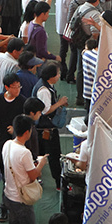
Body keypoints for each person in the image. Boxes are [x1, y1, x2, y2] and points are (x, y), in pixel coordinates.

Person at [2, 114, 48, 224]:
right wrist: (41, 163)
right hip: (21, 201)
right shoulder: (24, 152)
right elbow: (32, 177)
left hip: (8, 195)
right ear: (28, 132)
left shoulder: (7, 145)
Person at [32, 61, 67, 190]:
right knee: (53, 156)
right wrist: (59, 103)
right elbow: (45, 110)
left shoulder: (46, 86)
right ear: (51, 76)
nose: (59, 76)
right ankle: (58, 183)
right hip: (46, 130)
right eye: (57, 74)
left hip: (43, 129)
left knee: (38, 154)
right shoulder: (44, 90)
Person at [0, 72, 25, 157]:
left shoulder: (22, 101)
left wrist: (15, 130)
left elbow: (25, 122)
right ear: (6, 87)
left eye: (19, 86)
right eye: (14, 87)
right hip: (1, 135)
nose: (18, 90)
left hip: (16, 137)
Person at [55, 0, 77, 80]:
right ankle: (69, 74)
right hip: (67, 28)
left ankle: (63, 72)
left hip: (60, 26)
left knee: (63, 50)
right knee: (72, 50)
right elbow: (72, 13)